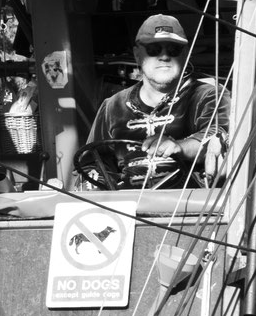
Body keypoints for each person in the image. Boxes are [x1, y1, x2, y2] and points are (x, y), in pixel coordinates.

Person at [84, 13, 227, 189]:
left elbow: (219, 136)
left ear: (186, 54)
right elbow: (93, 162)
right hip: (128, 208)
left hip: (191, 208)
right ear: (137, 55)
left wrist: (179, 147)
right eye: (154, 49)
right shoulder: (113, 106)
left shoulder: (208, 96)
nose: (164, 56)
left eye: (173, 49)